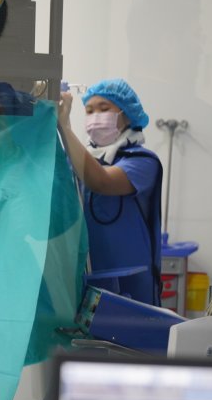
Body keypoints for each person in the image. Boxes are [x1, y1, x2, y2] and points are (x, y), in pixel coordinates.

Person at [57, 78, 163, 306]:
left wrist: (64, 127)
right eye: (89, 111)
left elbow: (101, 181)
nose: (95, 116)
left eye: (104, 109)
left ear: (127, 115)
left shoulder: (143, 162)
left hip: (132, 287)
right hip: (87, 282)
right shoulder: (77, 163)